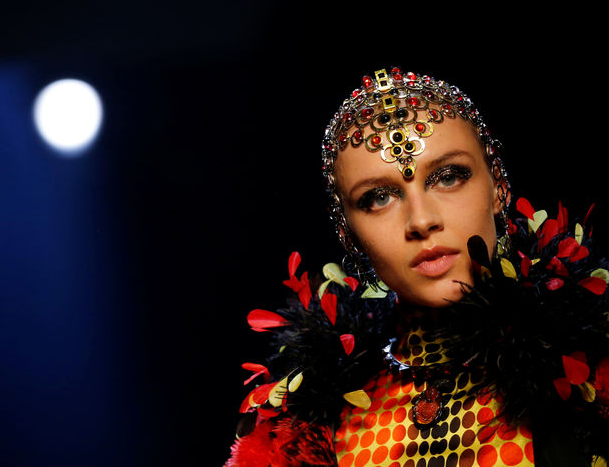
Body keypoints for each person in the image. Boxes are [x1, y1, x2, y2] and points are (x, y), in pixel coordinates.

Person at [225, 68, 608, 467]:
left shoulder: (591, 373)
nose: (421, 221)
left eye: (448, 176)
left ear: (498, 186)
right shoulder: (312, 428)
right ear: (348, 233)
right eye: (378, 198)